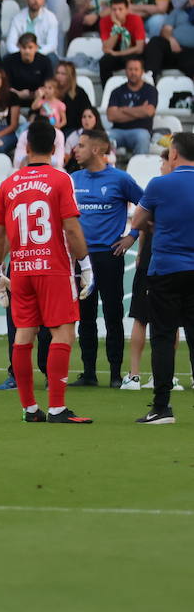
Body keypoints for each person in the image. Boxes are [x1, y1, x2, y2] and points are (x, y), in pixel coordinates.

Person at [0, 120, 95, 424]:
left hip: (20, 269)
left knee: (24, 334)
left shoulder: (8, 184)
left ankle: (30, 408)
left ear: (28, 146)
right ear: (56, 147)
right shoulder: (62, 180)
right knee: (63, 332)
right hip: (54, 268)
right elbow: (71, 227)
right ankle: (58, 408)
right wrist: (85, 265)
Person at [69, 128, 143, 388]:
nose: (75, 149)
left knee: (113, 315)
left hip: (109, 256)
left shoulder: (120, 179)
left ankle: (114, 374)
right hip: (81, 258)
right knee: (85, 316)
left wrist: (132, 235)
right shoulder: (73, 178)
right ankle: (88, 373)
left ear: (98, 150)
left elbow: (146, 205)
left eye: (81, 145)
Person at [129, 133, 194, 423]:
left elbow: (137, 220)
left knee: (164, 338)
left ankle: (162, 407)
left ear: (175, 155)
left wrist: (159, 219)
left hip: (166, 270)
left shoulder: (159, 184)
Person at [98, 0, 148, 83]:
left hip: (132, 50)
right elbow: (107, 49)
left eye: (120, 9)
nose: (117, 12)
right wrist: (117, 26)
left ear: (127, 10)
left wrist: (118, 54)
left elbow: (139, 48)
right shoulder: (104, 21)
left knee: (135, 61)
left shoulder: (136, 19)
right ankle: (107, 91)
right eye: (114, 10)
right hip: (116, 48)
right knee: (104, 62)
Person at [1, 33, 53, 105]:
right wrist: (18, 94)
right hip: (13, 99)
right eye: (24, 48)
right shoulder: (9, 61)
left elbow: (50, 83)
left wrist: (37, 93)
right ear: (19, 47)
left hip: (38, 100)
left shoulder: (45, 61)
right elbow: (3, 84)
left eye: (30, 47)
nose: (27, 51)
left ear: (36, 47)